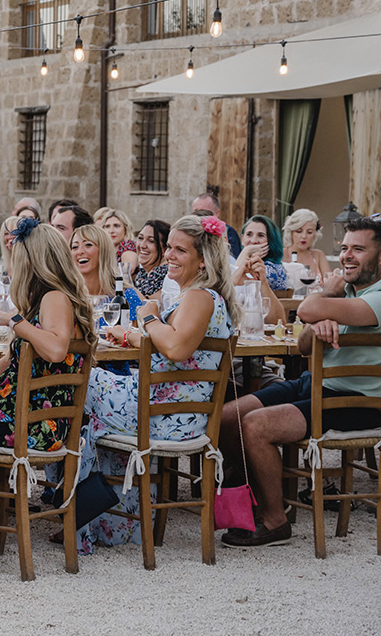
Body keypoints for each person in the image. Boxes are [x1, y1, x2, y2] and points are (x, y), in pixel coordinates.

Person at [79, 215, 239, 554]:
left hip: (164, 417)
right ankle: (110, 522)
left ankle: (78, 516)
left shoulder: (200, 297)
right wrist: (135, 337)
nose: (169, 256)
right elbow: (177, 348)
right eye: (170, 248)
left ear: (203, 260)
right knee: (86, 397)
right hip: (165, 411)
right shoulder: (195, 297)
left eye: (181, 250)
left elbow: (178, 348)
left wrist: (149, 316)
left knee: (75, 384)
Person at [218, 216, 381, 548]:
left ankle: (275, 520)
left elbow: (307, 308)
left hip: (357, 402)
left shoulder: (376, 296)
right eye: (345, 248)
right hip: (315, 384)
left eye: (359, 249)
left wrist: (325, 298)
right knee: (225, 418)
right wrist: (321, 320)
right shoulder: (346, 294)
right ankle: (261, 494)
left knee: (256, 426)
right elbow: (305, 345)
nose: (347, 255)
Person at [0, 219, 96, 450]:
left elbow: (56, 350)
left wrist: (14, 321)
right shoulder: (49, 299)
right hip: (26, 413)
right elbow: (13, 358)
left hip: (34, 423)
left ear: (30, 261)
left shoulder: (55, 297)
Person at [282, 208, 333, 277]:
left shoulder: (318, 255)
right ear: (291, 232)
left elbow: (330, 283)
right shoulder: (280, 255)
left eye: (309, 232)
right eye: (299, 231)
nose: (304, 236)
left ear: (315, 234)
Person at [71, 223, 117, 297]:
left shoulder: (125, 294)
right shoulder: (65, 294)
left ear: (103, 251)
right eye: (75, 247)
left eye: (88, 245)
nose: (79, 252)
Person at [193, 191, 242, 257]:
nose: (199, 216)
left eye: (204, 212)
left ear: (217, 213)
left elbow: (233, 260)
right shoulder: (188, 230)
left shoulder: (228, 232)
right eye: (196, 211)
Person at [131, 219, 171, 298]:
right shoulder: (142, 274)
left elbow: (148, 305)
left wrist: (125, 284)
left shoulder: (166, 274)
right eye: (140, 238)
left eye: (151, 241)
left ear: (165, 249)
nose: (142, 245)